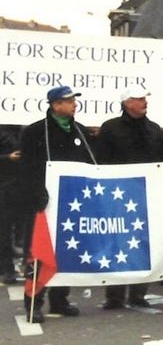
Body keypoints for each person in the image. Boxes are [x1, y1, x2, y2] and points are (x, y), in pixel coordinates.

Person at [19, 86, 95, 322]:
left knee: (67, 249)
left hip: (71, 203)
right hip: (43, 202)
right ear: (55, 105)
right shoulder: (35, 132)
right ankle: (34, 301)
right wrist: (36, 193)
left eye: (73, 100)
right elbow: (27, 167)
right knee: (39, 252)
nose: (74, 104)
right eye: (69, 101)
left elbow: (91, 163)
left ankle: (60, 299)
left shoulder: (80, 131)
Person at [95, 86, 163, 310]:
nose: (144, 102)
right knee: (117, 243)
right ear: (127, 103)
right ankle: (115, 295)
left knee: (144, 243)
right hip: (118, 195)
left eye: (145, 98)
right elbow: (101, 162)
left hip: (147, 194)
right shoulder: (110, 128)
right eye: (139, 99)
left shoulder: (155, 129)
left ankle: (138, 292)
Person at [0, 125, 21, 284]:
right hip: (4, 185)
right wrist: (8, 158)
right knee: (4, 230)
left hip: (23, 184)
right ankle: (7, 268)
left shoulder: (26, 129)